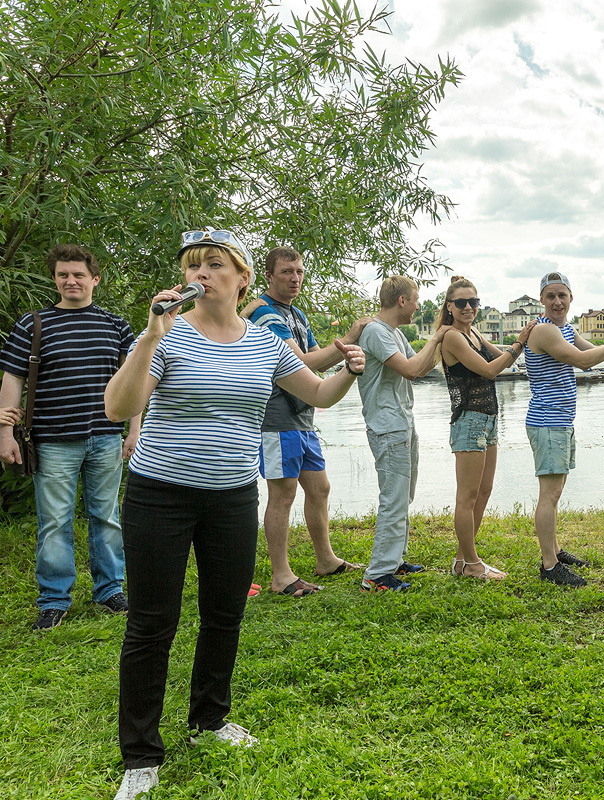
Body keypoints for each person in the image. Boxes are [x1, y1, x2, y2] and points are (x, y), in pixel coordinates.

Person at [104, 228, 366, 800]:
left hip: (230, 497)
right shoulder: (167, 336)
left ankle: (208, 722)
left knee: (224, 613)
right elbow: (118, 406)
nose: (202, 273)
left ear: (242, 278)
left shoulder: (266, 342)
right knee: (152, 622)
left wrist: (352, 367)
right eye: (193, 265)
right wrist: (150, 336)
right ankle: (141, 755)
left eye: (215, 264)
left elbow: (318, 394)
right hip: (159, 494)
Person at [0, 244, 140, 631]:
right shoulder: (34, 324)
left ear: (95, 279)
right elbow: (12, 379)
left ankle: (110, 590)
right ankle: (54, 600)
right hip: (53, 440)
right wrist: (4, 433)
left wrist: (135, 429)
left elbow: (135, 381)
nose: (71, 281)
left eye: (78, 274)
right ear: (55, 279)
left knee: (107, 518)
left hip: (107, 438)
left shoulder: (116, 325)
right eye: (63, 274)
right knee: (54, 523)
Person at [248, 246, 369, 597]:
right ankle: (281, 576)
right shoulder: (267, 315)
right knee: (283, 494)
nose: (295, 278)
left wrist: (346, 355)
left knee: (319, 488)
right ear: (268, 275)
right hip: (275, 419)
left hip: (302, 418)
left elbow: (319, 360)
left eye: (299, 271)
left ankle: (326, 560)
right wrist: (350, 337)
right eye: (286, 271)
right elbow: (302, 362)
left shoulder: (296, 314)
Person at [523, 271, 604, 587]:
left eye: (562, 295)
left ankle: (555, 550)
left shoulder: (565, 328)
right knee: (548, 494)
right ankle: (550, 567)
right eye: (551, 296)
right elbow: (583, 362)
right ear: (542, 301)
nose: (557, 302)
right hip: (547, 421)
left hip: (560, 420)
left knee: (556, 490)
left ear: (571, 298)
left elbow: (594, 353)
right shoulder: (545, 331)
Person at [440, 276, 535, 580]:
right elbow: (491, 370)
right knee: (466, 496)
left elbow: (504, 358)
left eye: (473, 302)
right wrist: (520, 341)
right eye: (461, 303)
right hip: (469, 419)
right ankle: (471, 563)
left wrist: (528, 341)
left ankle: (462, 560)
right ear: (449, 306)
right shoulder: (453, 337)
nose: (468, 307)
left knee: (484, 490)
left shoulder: (474, 333)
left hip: (489, 418)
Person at [356, 275, 447, 593]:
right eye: (417, 300)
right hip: (387, 425)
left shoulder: (392, 332)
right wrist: (436, 337)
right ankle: (377, 575)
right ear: (402, 301)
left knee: (403, 495)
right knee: (393, 499)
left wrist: (445, 339)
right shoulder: (376, 332)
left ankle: (394, 561)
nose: (419, 306)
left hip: (402, 422)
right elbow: (409, 370)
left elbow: (422, 367)